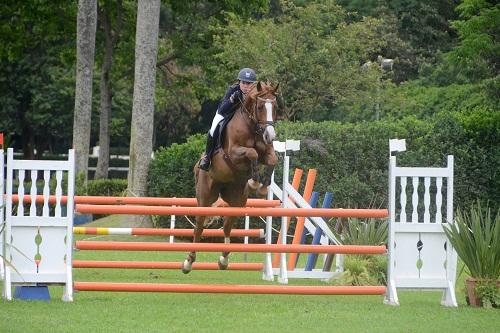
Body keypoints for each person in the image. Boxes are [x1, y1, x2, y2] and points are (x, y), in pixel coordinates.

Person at [199, 68, 257, 171]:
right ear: (239, 82)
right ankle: (207, 157)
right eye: (244, 83)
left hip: (245, 119)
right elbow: (222, 109)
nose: (246, 86)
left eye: (249, 83)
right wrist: (232, 99)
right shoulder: (233, 90)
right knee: (213, 129)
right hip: (226, 113)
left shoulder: (255, 94)